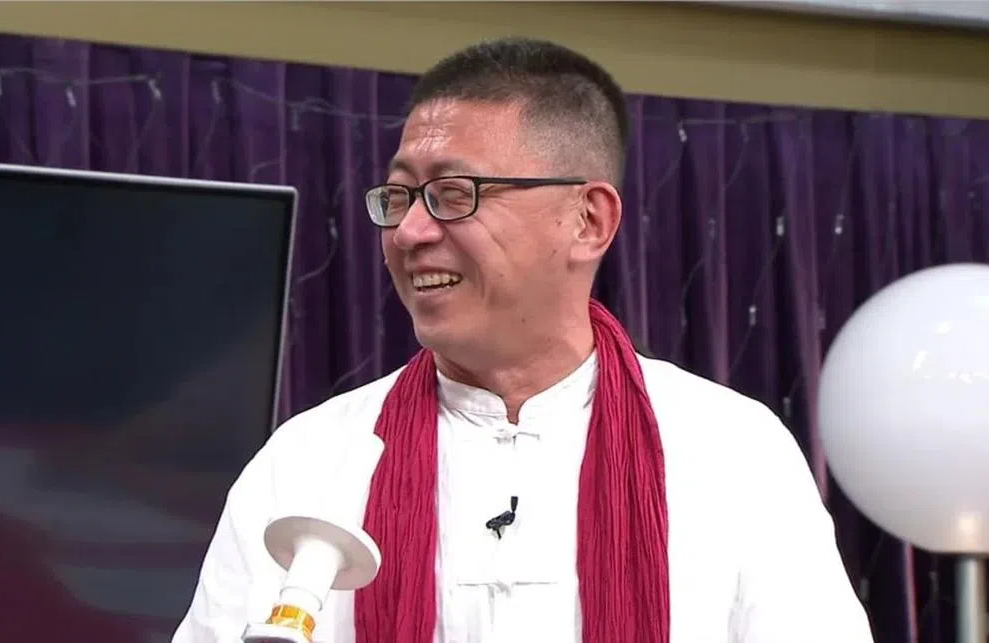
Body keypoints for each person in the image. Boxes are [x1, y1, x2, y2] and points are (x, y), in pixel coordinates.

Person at [173, 38, 874, 643]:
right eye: (399, 196)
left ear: (588, 220)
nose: (410, 232)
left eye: (454, 194)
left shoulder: (732, 451)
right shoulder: (307, 463)